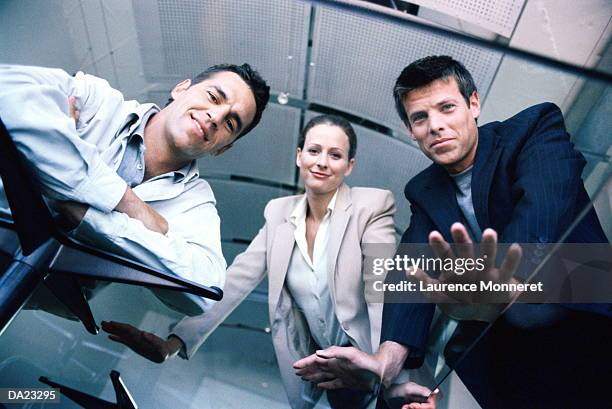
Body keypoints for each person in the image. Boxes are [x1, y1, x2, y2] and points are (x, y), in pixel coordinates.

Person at [301, 55, 610, 408]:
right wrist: (386, 360)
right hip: (513, 353)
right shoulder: (424, 190)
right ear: (411, 130)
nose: (435, 126)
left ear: (473, 103)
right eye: (420, 118)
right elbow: (409, 270)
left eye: (446, 107)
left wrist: (503, 279)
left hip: (583, 315)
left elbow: (544, 206)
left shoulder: (532, 128)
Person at [101, 114, 401, 408]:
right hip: (317, 368)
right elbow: (234, 283)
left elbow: (383, 285)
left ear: (349, 166)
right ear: (299, 156)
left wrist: (382, 364)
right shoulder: (278, 214)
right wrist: (174, 343)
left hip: (370, 357)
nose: (322, 161)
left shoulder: (372, 205)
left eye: (335, 155)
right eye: (314, 151)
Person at [0, 63, 270, 314]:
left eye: (230, 124)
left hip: (18, 294)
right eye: (213, 97)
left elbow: (204, 291)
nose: (216, 116)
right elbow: (7, 91)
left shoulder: (196, 203)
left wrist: (85, 215)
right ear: (180, 89)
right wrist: (129, 205)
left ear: (222, 148)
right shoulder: (97, 101)